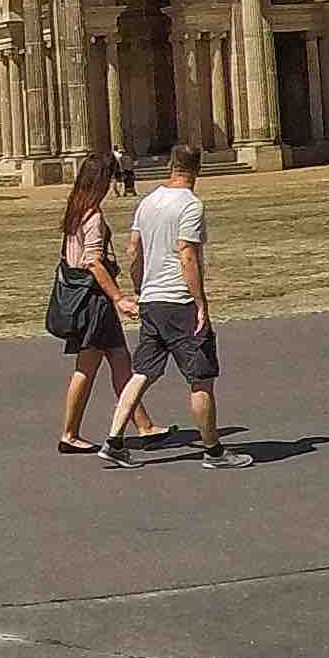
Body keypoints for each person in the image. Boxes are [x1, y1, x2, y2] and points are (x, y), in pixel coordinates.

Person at [103, 143, 250, 468]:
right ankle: (213, 452)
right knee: (201, 377)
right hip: (179, 301)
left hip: (153, 299)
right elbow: (187, 256)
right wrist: (200, 304)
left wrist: (141, 290)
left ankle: (114, 439)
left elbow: (133, 253)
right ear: (197, 169)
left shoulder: (148, 202)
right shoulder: (190, 206)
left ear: (171, 166)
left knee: (142, 372)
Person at [53, 148, 167, 455]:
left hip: (90, 299)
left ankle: (143, 425)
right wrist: (118, 298)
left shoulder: (76, 209)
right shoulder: (93, 216)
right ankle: (69, 433)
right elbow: (93, 262)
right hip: (95, 301)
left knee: (120, 362)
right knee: (86, 368)